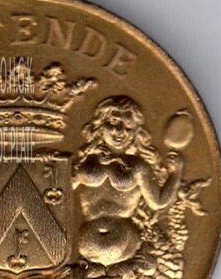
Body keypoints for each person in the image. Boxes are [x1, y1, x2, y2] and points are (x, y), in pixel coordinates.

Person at [73, 96, 183, 266]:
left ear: (135, 133)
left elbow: (158, 202)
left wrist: (176, 173)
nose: (120, 131)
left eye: (128, 127)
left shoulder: (138, 166)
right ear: (100, 125)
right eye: (114, 122)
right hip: (83, 247)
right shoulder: (85, 161)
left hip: (125, 248)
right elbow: (61, 191)